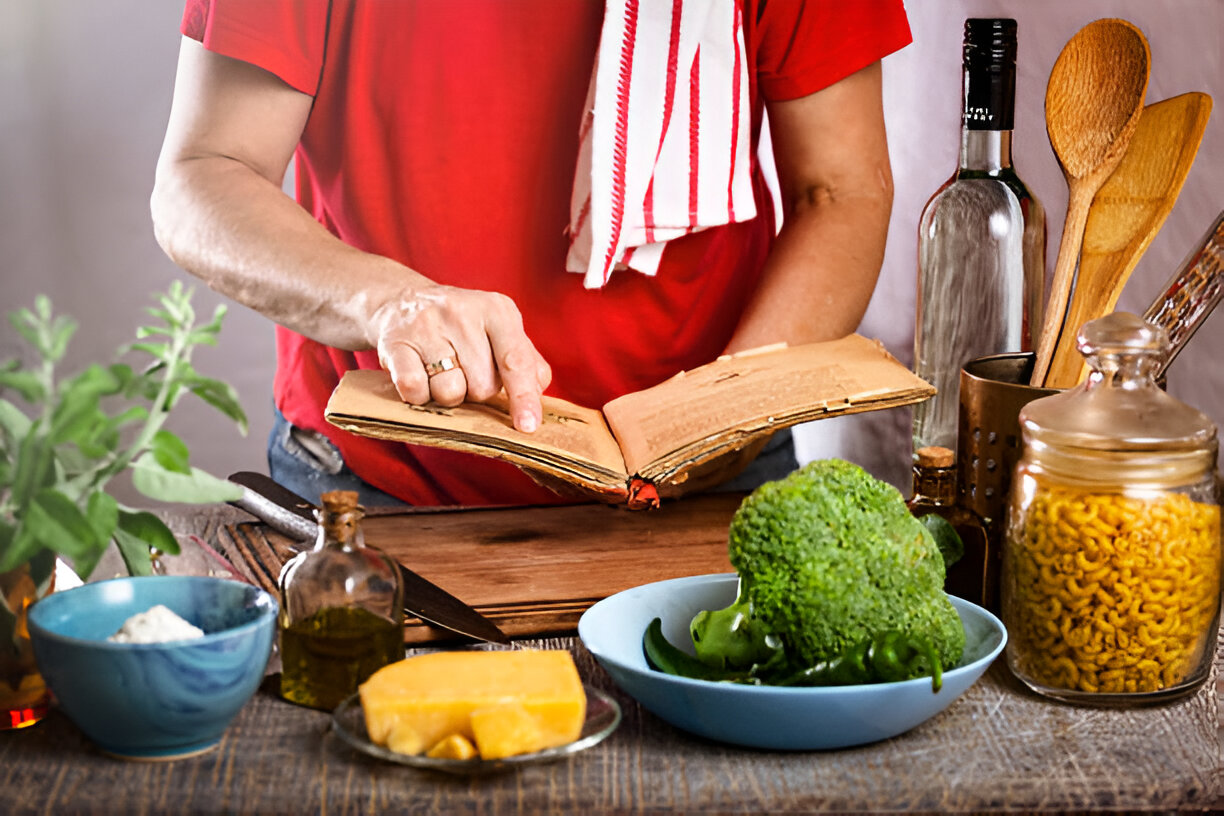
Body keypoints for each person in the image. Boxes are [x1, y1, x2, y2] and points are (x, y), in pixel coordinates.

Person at [151, 0, 912, 507]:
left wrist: (721, 420)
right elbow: (203, 177)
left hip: (714, 481)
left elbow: (839, 194)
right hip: (379, 487)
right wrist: (387, 303)